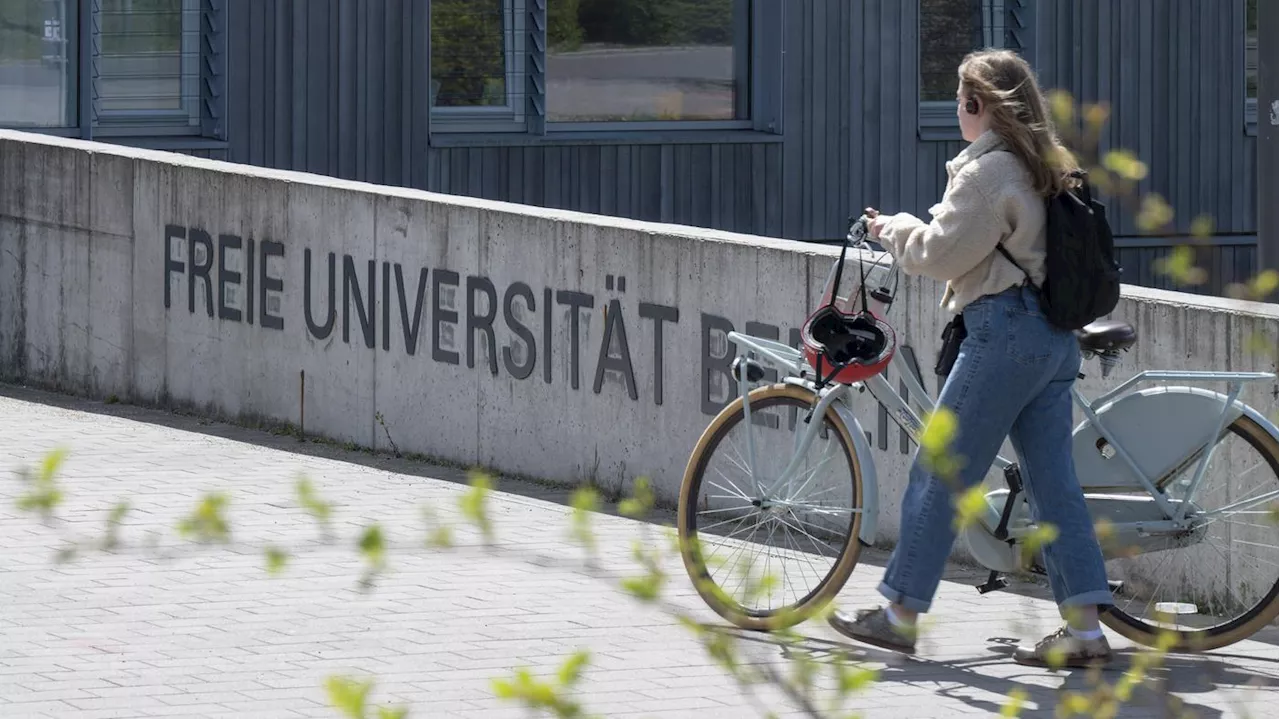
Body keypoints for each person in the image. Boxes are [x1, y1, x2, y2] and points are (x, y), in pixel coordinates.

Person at [825, 49, 1115, 668]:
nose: (956, 111)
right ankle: (1087, 633)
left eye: (960, 101)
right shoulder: (1044, 166)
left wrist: (891, 230)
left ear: (978, 106)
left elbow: (941, 254)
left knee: (940, 472)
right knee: (1054, 487)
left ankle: (899, 615)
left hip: (1003, 335)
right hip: (1052, 340)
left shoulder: (988, 174)